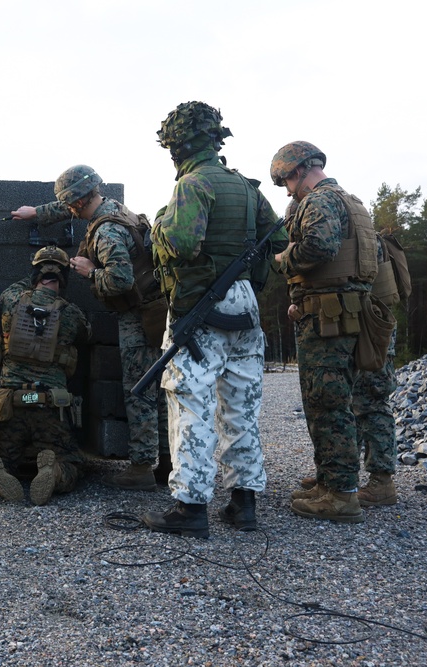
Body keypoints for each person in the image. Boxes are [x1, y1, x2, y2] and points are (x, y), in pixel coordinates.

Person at [140, 101, 283, 538]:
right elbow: (274, 238)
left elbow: (181, 243)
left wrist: (158, 223)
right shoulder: (247, 188)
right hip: (243, 304)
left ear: (177, 145)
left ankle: (190, 508)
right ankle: (244, 505)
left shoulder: (193, 185)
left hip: (199, 307)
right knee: (241, 405)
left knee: (190, 404)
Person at [12, 166, 169, 491]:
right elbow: (67, 206)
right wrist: (36, 213)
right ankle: (168, 462)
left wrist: (88, 272)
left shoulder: (107, 233)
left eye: (70, 206)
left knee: (139, 391)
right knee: (160, 391)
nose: (69, 211)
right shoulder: (114, 208)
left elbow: (120, 280)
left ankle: (141, 467)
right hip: (155, 312)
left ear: (79, 203)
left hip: (138, 317)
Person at [270, 140, 379, 524]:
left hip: (328, 319)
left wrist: (284, 260)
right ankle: (331, 480)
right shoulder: (350, 201)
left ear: (298, 170)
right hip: (341, 313)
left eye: (285, 180)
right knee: (330, 400)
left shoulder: (319, 201)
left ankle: (341, 495)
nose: (286, 189)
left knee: (327, 402)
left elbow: (318, 246)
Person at [0, 246, 91, 505]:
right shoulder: (71, 313)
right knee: (72, 461)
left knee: (3, 457)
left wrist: (35, 275)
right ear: (63, 279)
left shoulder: (12, 298)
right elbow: (87, 335)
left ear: (34, 275)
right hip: (48, 406)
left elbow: (14, 289)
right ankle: (53, 472)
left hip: (10, 405)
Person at [297, 225, 399, 506]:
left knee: (372, 402)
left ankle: (382, 482)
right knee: (352, 402)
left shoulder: (361, 244)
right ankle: (342, 477)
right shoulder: (360, 240)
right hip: (365, 326)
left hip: (372, 329)